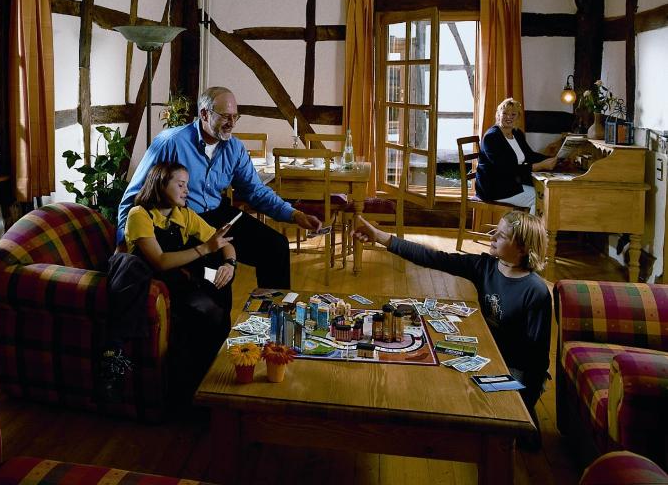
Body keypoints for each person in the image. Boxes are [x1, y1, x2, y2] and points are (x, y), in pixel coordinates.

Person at [352, 211, 551, 442]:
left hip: (516, 369)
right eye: (495, 230)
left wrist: (523, 407)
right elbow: (432, 257)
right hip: (488, 355)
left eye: (502, 235)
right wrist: (379, 236)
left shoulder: (536, 292)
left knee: (516, 436)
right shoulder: (485, 266)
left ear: (524, 247)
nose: (493, 236)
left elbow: (538, 361)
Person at [118, 86, 322, 289]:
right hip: (183, 221)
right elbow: (135, 193)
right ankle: (215, 315)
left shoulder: (235, 148)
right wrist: (122, 242)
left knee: (275, 246)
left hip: (219, 214)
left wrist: (295, 215)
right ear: (204, 114)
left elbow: (256, 192)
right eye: (225, 116)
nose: (232, 123)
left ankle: (273, 315)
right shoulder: (170, 142)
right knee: (215, 271)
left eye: (235, 116)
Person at [123, 161, 237, 403]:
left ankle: (218, 380)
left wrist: (229, 265)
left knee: (221, 285)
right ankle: (192, 390)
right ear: (160, 184)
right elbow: (160, 261)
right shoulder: (139, 215)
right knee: (208, 312)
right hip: (155, 285)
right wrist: (205, 248)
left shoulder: (183, 214)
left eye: (187, 185)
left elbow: (226, 244)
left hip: (181, 278)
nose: (187, 190)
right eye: (181, 184)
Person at [475, 98, 558, 214]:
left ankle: (528, 229)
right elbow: (505, 168)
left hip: (511, 183)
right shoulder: (492, 137)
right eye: (505, 113)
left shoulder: (517, 133)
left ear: (518, 117)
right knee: (541, 198)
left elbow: (529, 155)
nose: (509, 117)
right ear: (498, 115)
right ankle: (529, 232)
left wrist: (553, 158)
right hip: (494, 187)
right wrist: (538, 166)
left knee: (546, 193)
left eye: (513, 114)